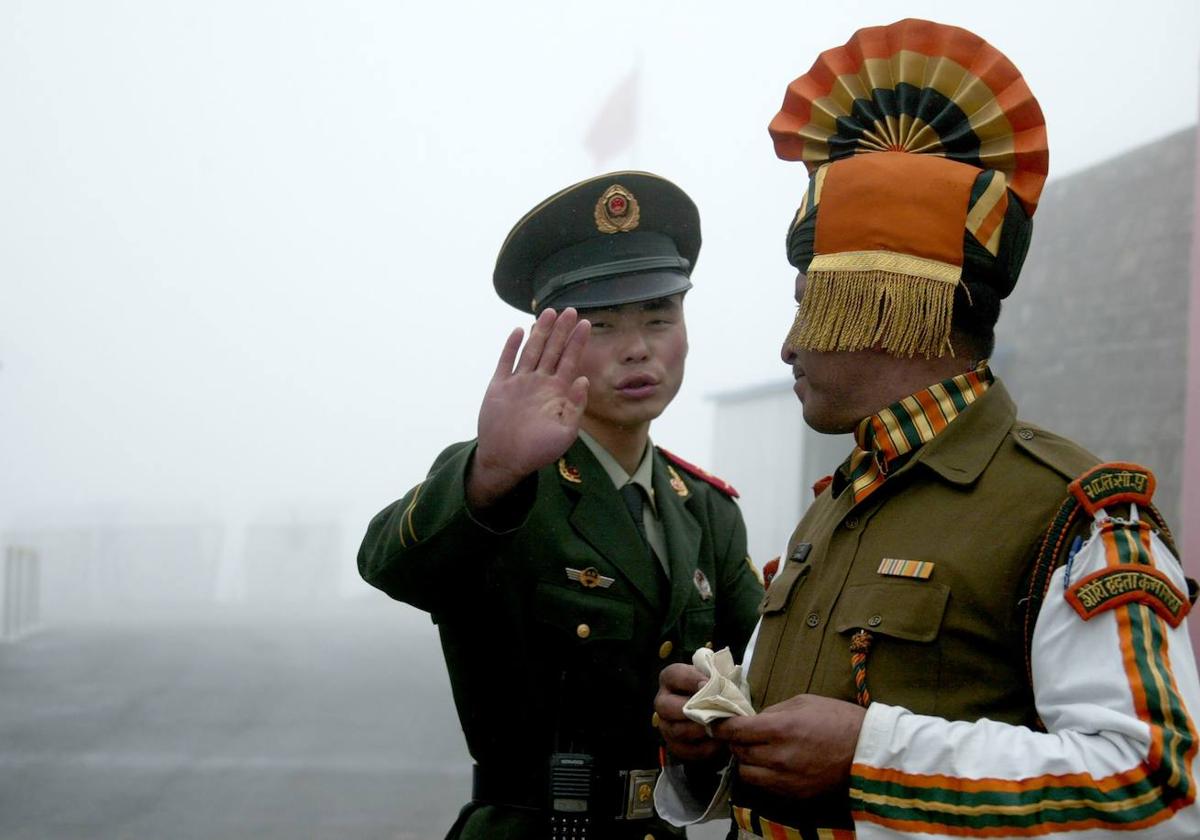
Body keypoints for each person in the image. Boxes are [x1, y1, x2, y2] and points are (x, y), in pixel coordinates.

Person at [653, 18, 1200, 839]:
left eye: (808, 300)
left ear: (884, 299)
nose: (788, 343)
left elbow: (1158, 789)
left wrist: (875, 758)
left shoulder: (1074, 516)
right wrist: (713, 746)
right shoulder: (834, 508)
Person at [359, 171, 764, 839]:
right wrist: (490, 469)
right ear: (553, 343)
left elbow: (759, 667)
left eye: (659, 318)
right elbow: (390, 564)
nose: (638, 348)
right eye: (603, 326)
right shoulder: (507, 483)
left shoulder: (706, 511)